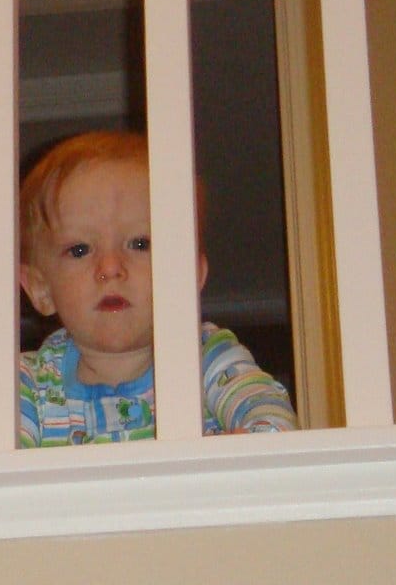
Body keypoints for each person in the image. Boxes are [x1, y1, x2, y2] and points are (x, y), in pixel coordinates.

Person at [17, 130, 297, 446]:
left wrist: (253, 445)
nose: (110, 268)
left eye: (140, 243)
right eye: (80, 250)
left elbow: (267, 413)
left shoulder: (206, 358)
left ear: (188, 276)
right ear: (41, 289)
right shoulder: (28, 383)